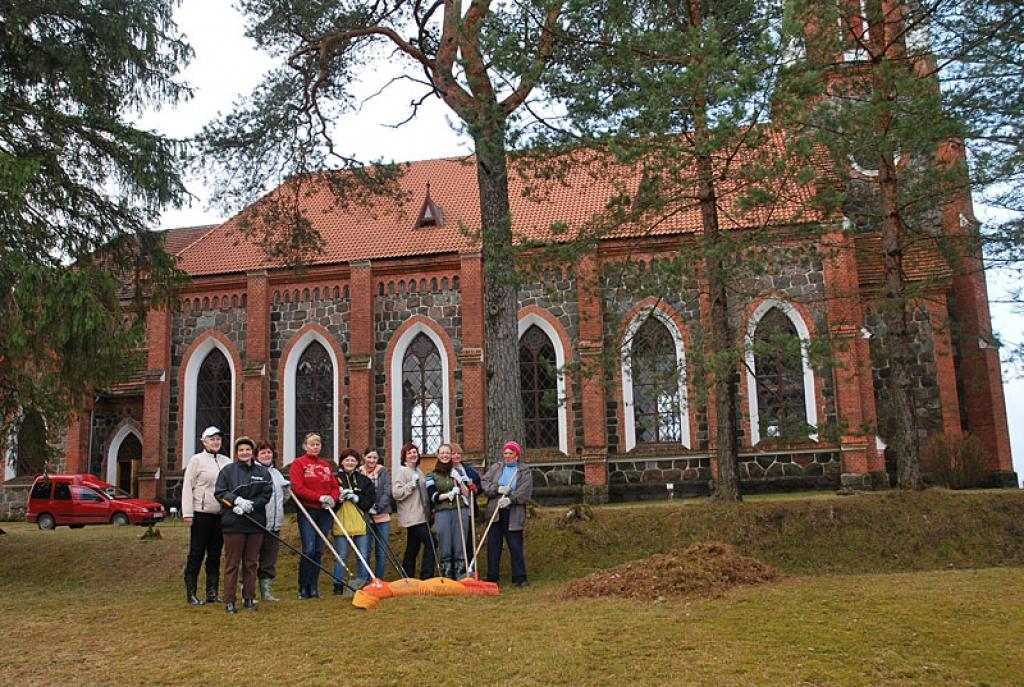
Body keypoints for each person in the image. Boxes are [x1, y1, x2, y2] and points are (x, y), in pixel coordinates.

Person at [214, 436, 272, 613]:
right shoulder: (228, 471)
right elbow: (219, 493)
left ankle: (249, 598)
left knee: (251, 563)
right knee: (232, 563)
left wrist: (252, 505)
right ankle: (230, 600)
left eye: (247, 449)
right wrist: (235, 501)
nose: (244, 453)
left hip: (255, 523)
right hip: (234, 523)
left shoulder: (262, 473)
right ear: (236, 453)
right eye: (241, 450)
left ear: (252, 452)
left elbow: (266, 494)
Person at [181, 426, 231, 605]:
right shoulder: (197, 461)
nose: (216, 442)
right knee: (196, 553)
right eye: (212, 439)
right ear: (204, 442)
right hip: (201, 514)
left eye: (218, 438)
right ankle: (191, 593)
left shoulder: (227, 461)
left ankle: (212, 592)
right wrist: (188, 513)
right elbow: (188, 487)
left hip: (221, 514)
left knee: (215, 554)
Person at [288, 432, 339, 599]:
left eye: (318, 444)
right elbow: (297, 487)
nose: (315, 447)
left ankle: (314, 586)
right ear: (305, 446)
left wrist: (332, 498)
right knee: (309, 548)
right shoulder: (299, 464)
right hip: (308, 510)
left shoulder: (325, 465)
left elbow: (334, 485)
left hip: (324, 511)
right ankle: (303, 586)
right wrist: (318, 497)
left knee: (318, 549)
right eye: (312, 444)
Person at [482, 440, 534, 588]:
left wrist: (511, 499)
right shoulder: (496, 468)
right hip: (495, 512)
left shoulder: (524, 471)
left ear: (517, 456)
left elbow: (525, 492)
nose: (507, 456)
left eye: (511, 453)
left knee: (515, 545)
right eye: (505, 453)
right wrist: (497, 489)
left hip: (513, 513)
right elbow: (484, 483)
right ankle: (492, 576)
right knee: (493, 545)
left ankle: (519, 577)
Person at [332, 448, 375, 593]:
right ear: (342, 462)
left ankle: (363, 584)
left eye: (353, 460)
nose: (350, 463)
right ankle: (338, 586)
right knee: (341, 556)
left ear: (357, 463)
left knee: (362, 555)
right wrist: (339, 499)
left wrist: (357, 498)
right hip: (341, 522)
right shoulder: (335, 479)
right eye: (347, 460)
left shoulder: (364, 480)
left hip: (360, 523)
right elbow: (330, 502)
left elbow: (369, 501)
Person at [391, 443, 436, 579]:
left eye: (415, 452)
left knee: (413, 546)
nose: (413, 455)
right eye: (409, 453)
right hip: (412, 515)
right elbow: (396, 493)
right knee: (432, 542)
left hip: (423, 514)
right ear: (404, 456)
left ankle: (407, 574)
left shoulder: (419, 472)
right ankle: (426, 575)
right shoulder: (402, 471)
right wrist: (411, 485)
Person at [426, 443, 471, 579]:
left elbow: (466, 493)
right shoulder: (431, 475)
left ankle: (461, 573)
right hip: (442, 511)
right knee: (445, 541)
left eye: (447, 453)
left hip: (460, 509)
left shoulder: (459, 472)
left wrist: (460, 480)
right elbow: (433, 496)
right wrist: (449, 494)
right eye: (442, 453)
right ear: (438, 455)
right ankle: (446, 573)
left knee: (460, 541)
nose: (445, 455)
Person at [254, 440, 289, 602]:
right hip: (257, 522)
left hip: (274, 523)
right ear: (257, 456)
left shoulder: (276, 473)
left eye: (269, 452)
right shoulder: (253, 472)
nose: (267, 455)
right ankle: (247, 590)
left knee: (269, 558)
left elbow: (283, 498)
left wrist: (287, 490)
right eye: (263, 453)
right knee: (251, 557)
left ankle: (266, 591)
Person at [359, 447, 393, 580]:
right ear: (364, 457)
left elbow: (386, 491)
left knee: (381, 551)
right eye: (369, 457)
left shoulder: (383, 471)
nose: (372, 460)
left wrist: (378, 507)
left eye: (374, 458)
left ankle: (378, 579)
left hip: (382, 516)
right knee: (365, 550)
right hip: (365, 516)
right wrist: (366, 507)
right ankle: (365, 579)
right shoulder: (359, 471)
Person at [450, 442, 481, 563]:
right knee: (456, 540)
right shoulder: (446, 471)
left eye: (459, 453)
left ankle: (470, 568)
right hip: (454, 509)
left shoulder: (468, 470)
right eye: (453, 453)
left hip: (468, 510)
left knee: (468, 540)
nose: (456, 456)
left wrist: (475, 488)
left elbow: (478, 484)